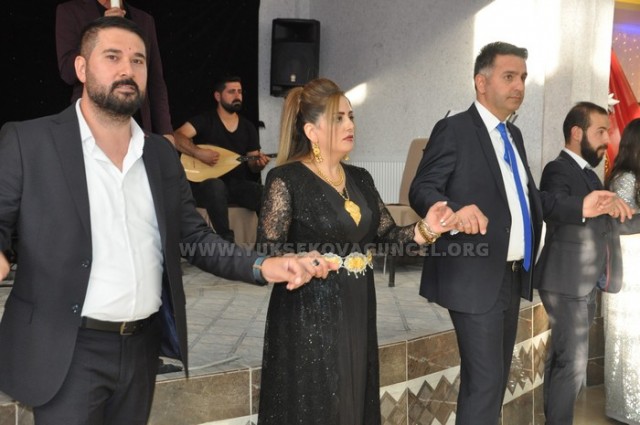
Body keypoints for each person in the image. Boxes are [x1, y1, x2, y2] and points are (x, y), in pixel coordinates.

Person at [0, 17, 334, 425]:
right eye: (113, 57)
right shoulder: (29, 142)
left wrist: (265, 265)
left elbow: (195, 238)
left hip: (141, 350)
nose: (128, 70)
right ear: (82, 68)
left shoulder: (159, 154)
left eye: (138, 61)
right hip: (67, 351)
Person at [408, 42, 632, 425]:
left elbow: (534, 201)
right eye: (509, 76)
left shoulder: (513, 135)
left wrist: (582, 206)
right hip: (474, 274)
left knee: (492, 382)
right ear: (481, 82)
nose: (519, 86)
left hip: (510, 276)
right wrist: (453, 210)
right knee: (485, 382)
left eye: (523, 78)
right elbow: (422, 188)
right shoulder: (455, 129)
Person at [256, 78, 464, 425]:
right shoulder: (285, 179)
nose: (350, 125)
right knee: (317, 402)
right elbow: (266, 252)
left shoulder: (360, 178)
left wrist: (427, 228)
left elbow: (386, 236)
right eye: (338, 118)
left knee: (353, 395)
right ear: (311, 130)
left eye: (351, 116)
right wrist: (297, 261)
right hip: (308, 314)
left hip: (357, 305)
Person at [534, 101, 630, 424]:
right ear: (577, 133)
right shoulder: (558, 169)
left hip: (582, 282)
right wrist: (585, 207)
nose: (607, 139)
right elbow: (552, 206)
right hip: (565, 281)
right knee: (573, 365)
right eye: (600, 131)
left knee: (563, 361)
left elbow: (608, 220)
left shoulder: (588, 174)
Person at [55, 0, 174, 143]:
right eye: (112, 57)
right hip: (93, 123)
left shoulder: (144, 19)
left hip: (138, 123)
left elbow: (155, 81)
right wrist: (102, 28)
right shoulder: (71, 11)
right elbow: (67, 73)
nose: (128, 71)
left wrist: (166, 131)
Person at [173, 76, 270, 243]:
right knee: (215, 186)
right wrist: (198, 153)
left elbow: (252, 164)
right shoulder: (205, 120)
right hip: (205, 186)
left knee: (264, 193)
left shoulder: (248, 127)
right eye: (231, 92)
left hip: (236, 186)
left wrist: (259, 164)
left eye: (239, 92)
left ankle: (268, 243)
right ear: (218, 96)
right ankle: (226, 242)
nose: (237, 96)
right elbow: (177, 137)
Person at [603, 117, 640, 425]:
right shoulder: (625, 178)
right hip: (628, 266)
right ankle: (628, 407)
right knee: (628, 340)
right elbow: (622, 222)